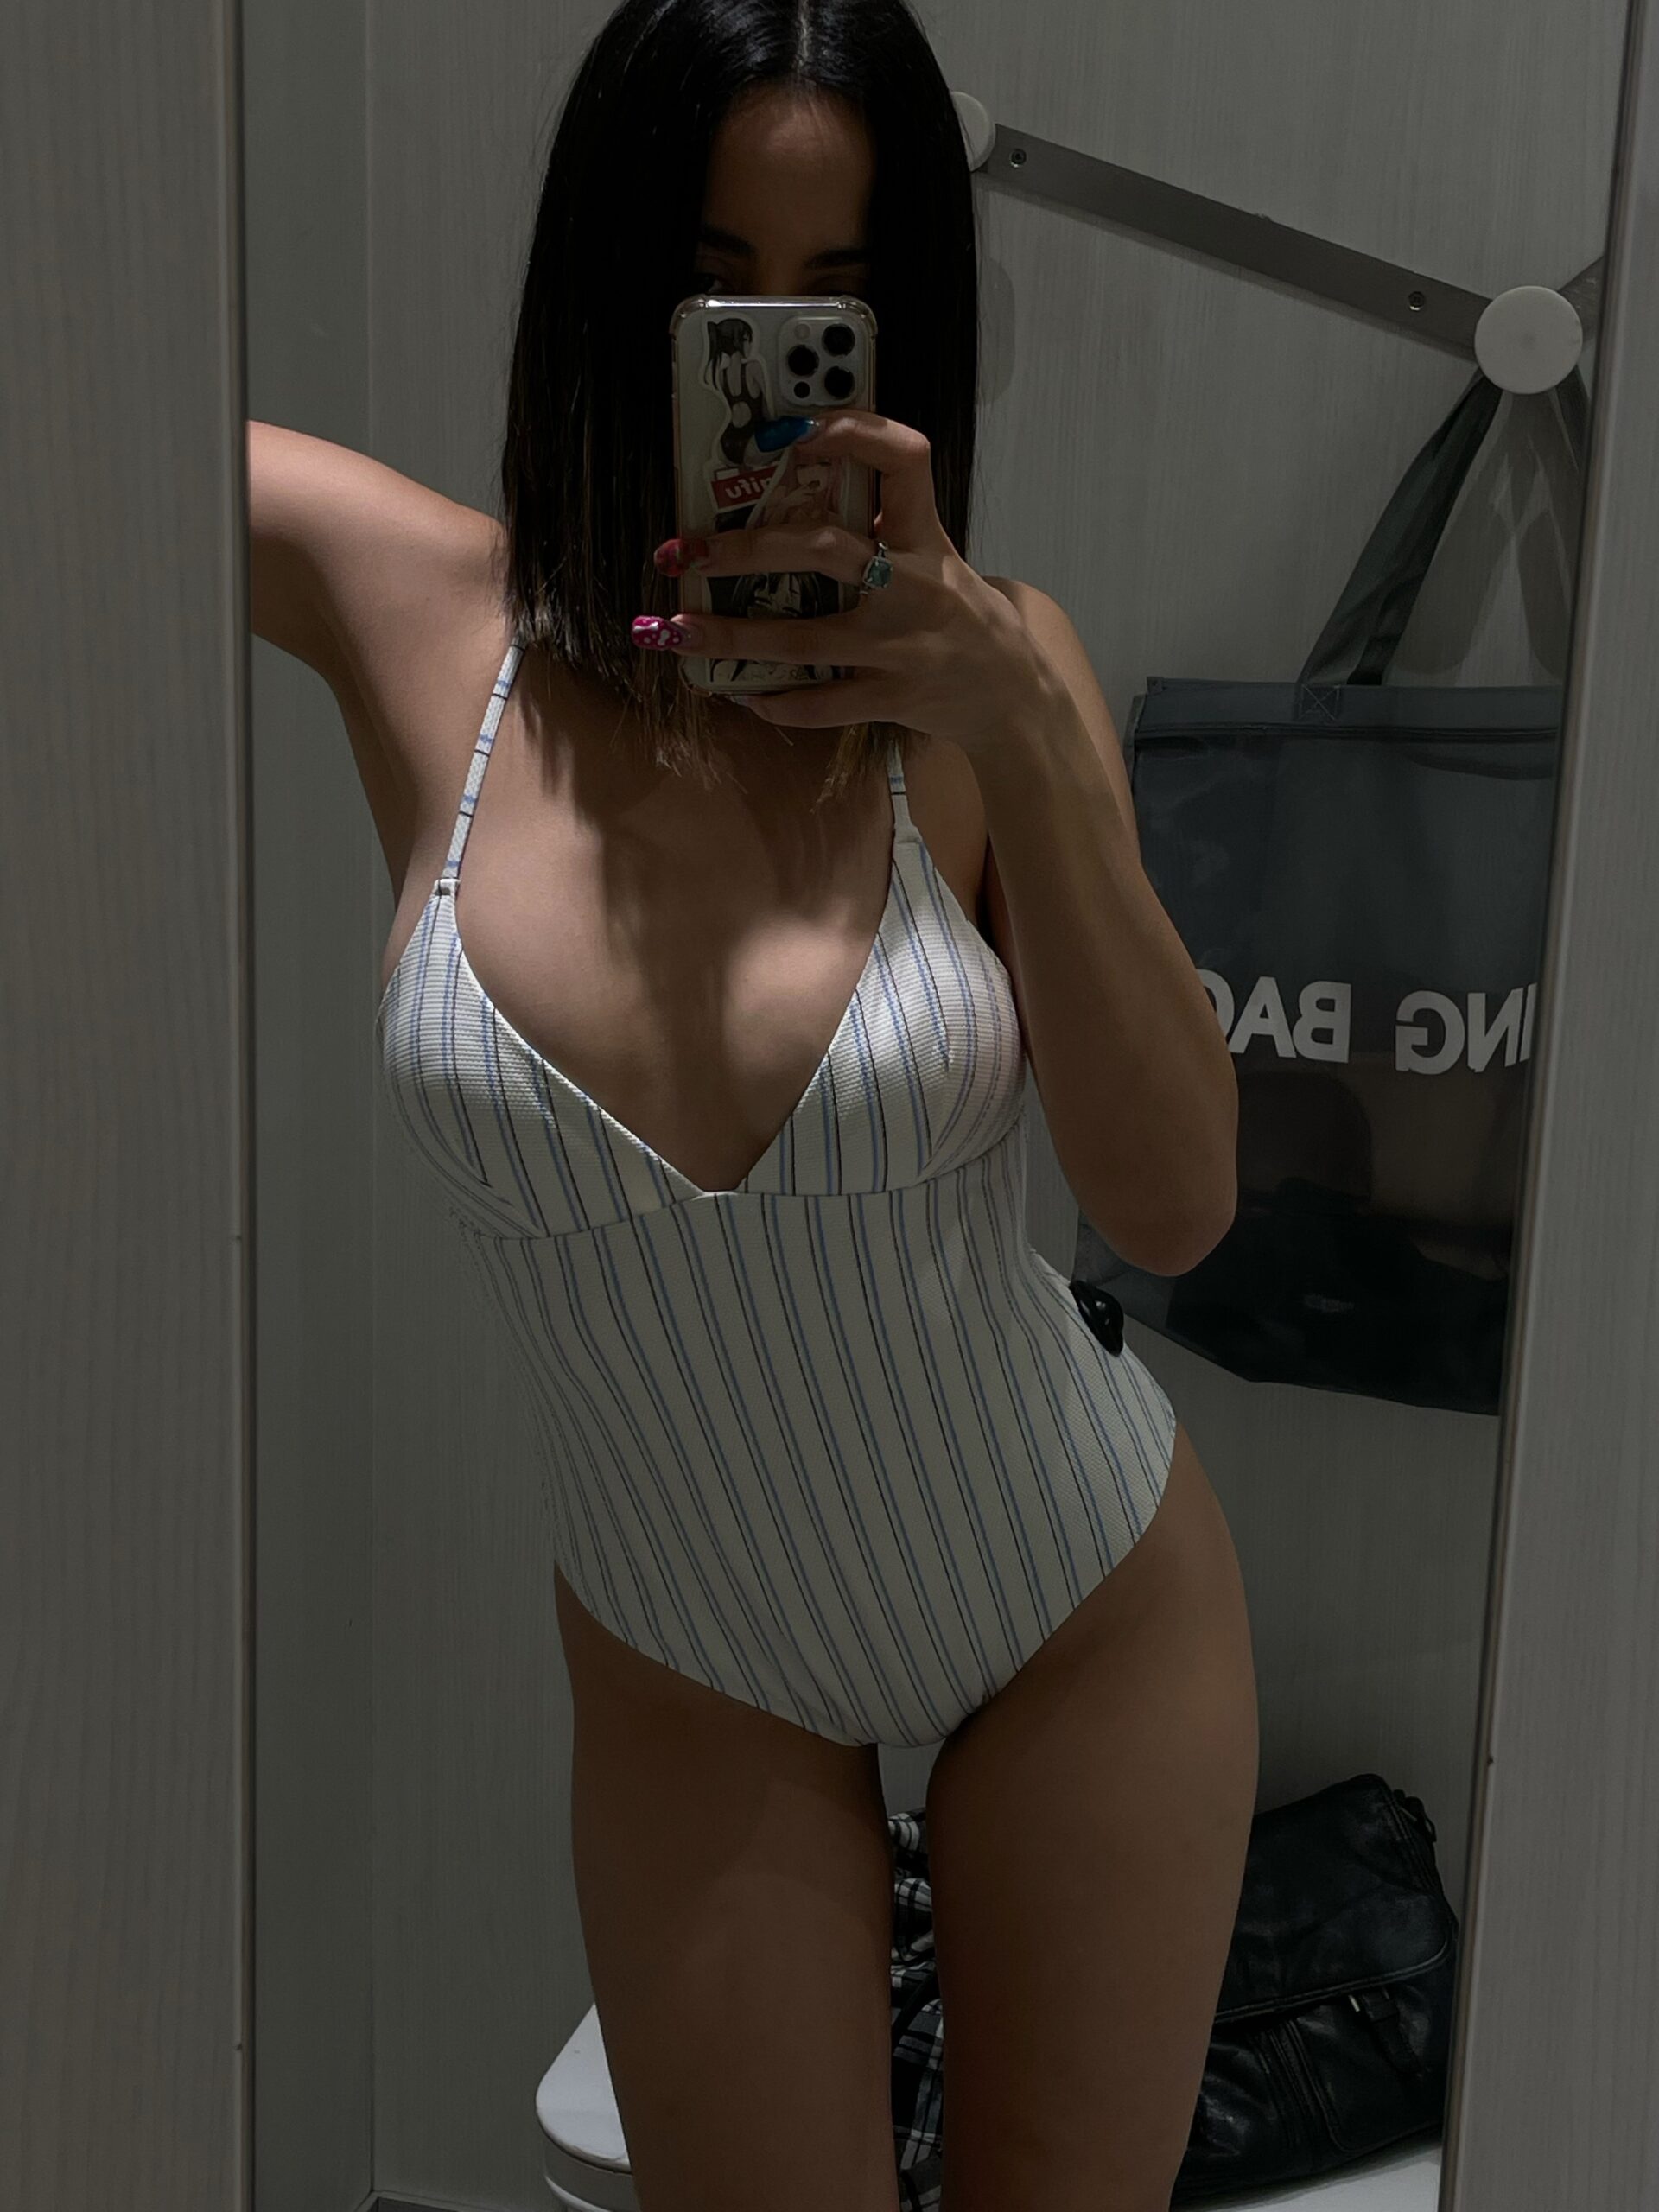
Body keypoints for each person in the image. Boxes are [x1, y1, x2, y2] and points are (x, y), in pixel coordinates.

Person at [248, 1, 1258, 2204]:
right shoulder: (414, 617)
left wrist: (1026, 720)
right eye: (716, 289)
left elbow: (1174, 1203)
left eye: (835, 305)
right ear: (604, 289)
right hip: (691, 1668)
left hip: (1075, 1609)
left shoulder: (994, 678)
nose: (772, 370)